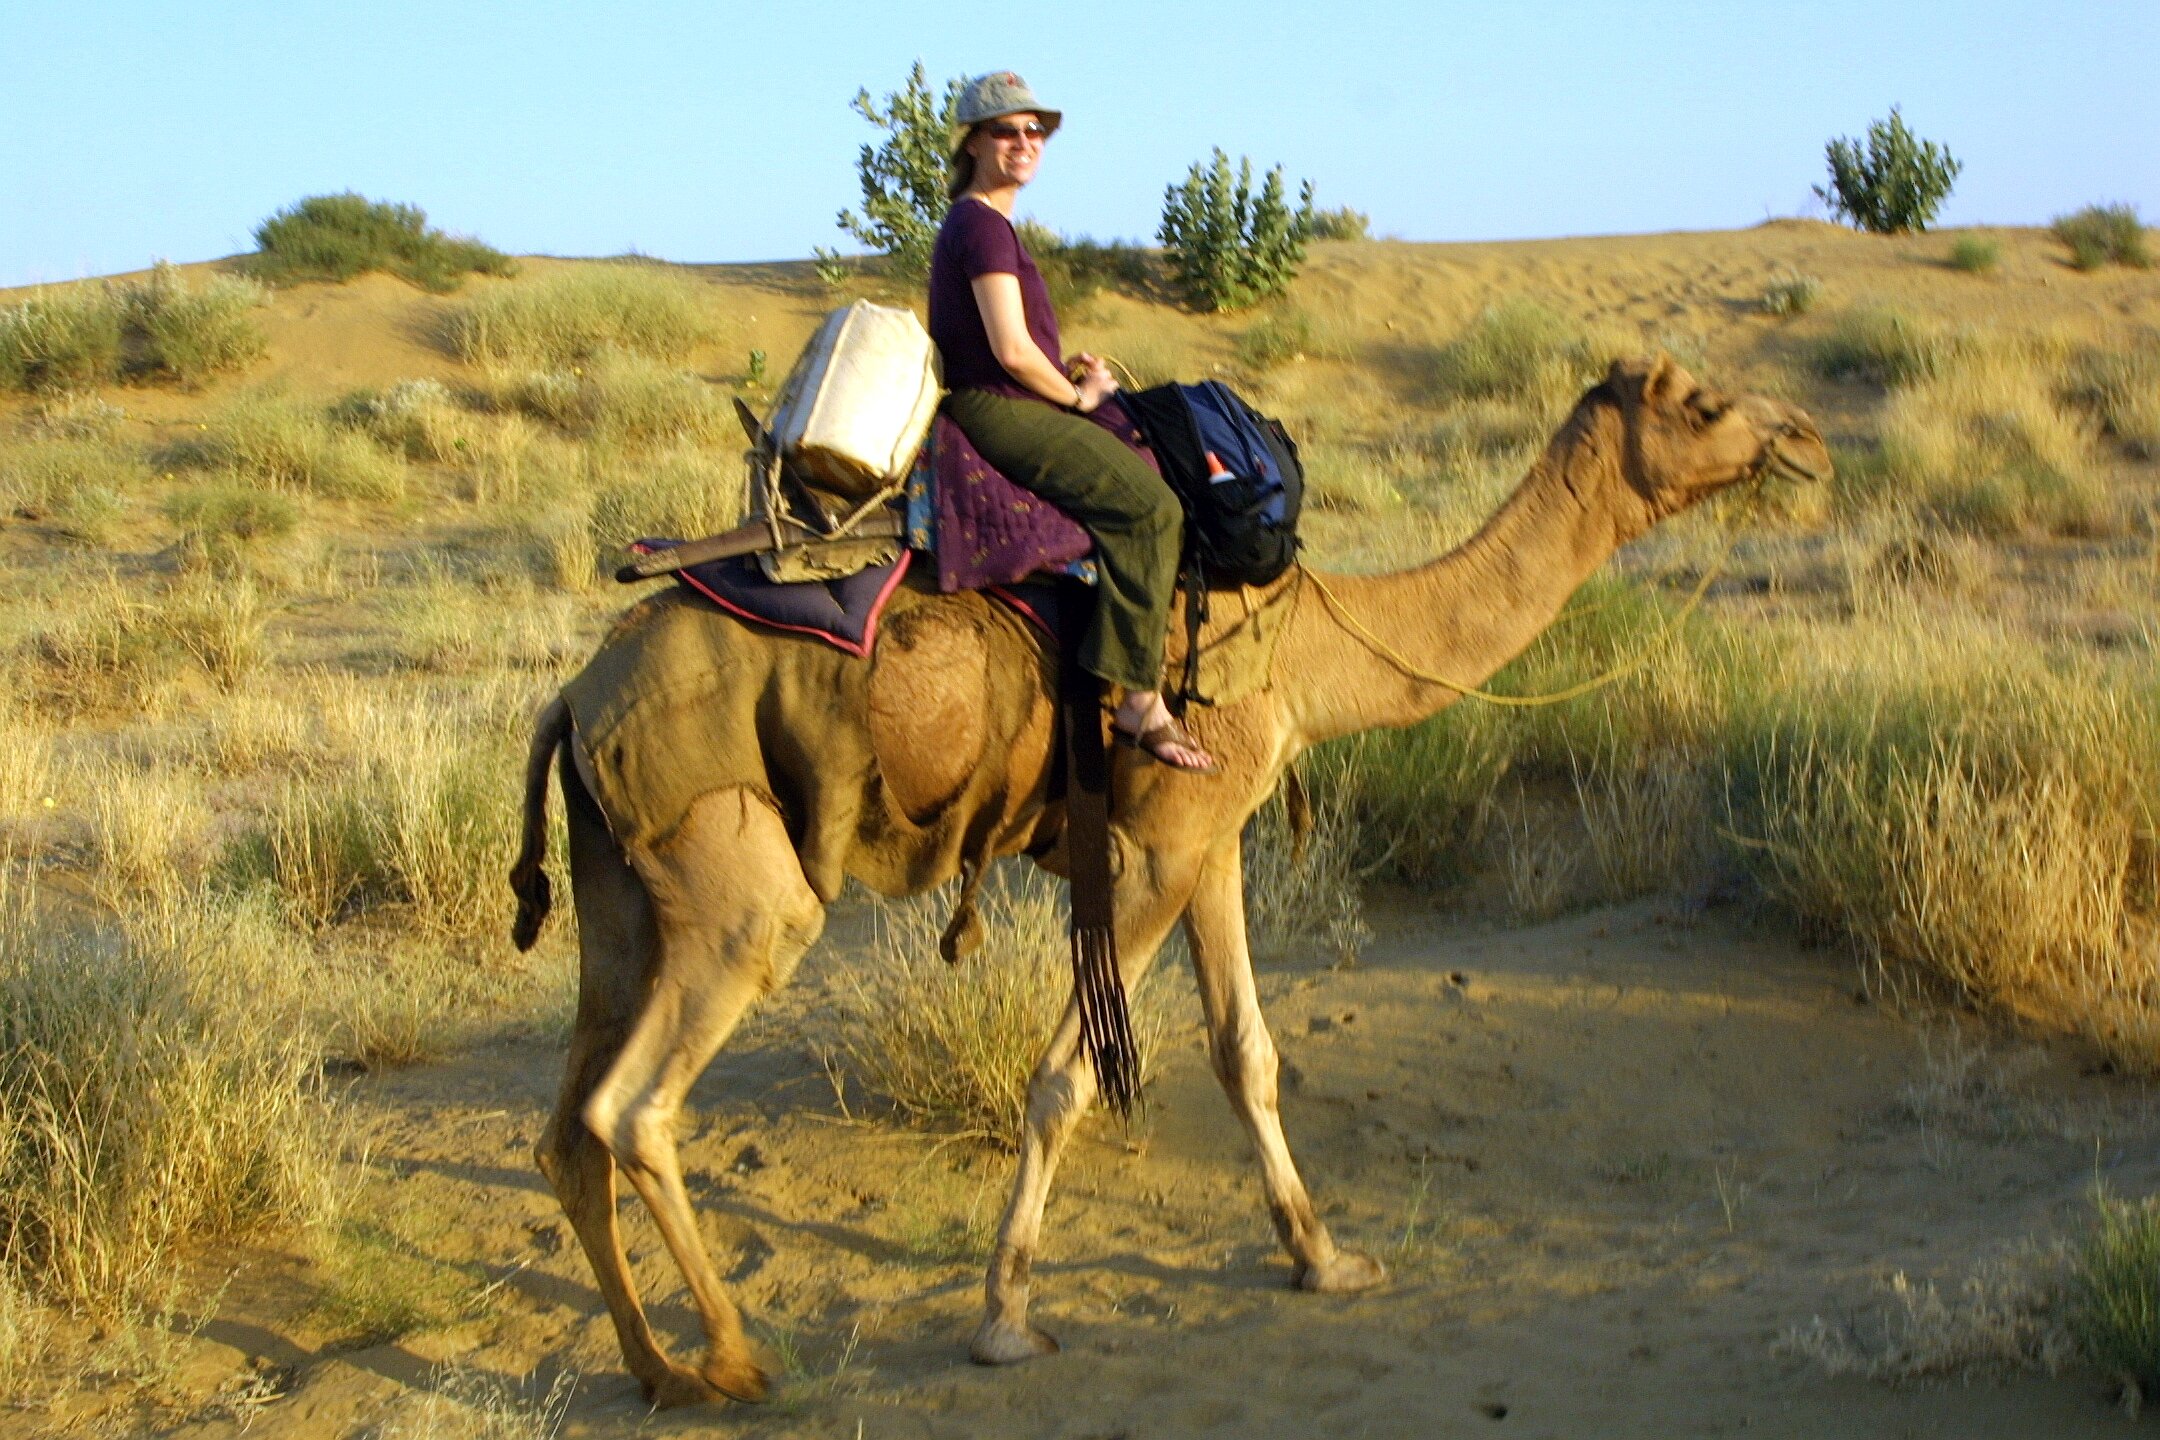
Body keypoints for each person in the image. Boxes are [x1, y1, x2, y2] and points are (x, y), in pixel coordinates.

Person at [927, 71, 1217, 774]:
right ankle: (1139, 698)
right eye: (1006, 130)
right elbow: (1012, 350)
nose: (1024, 142)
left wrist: (1073, 375)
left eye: (1035, 131)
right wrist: (1078, 398)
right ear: (973, 143)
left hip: (1007, 398)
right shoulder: (983, 227)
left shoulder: (981, 223)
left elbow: (1021, 346)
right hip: (998, 407)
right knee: (1151, 510)